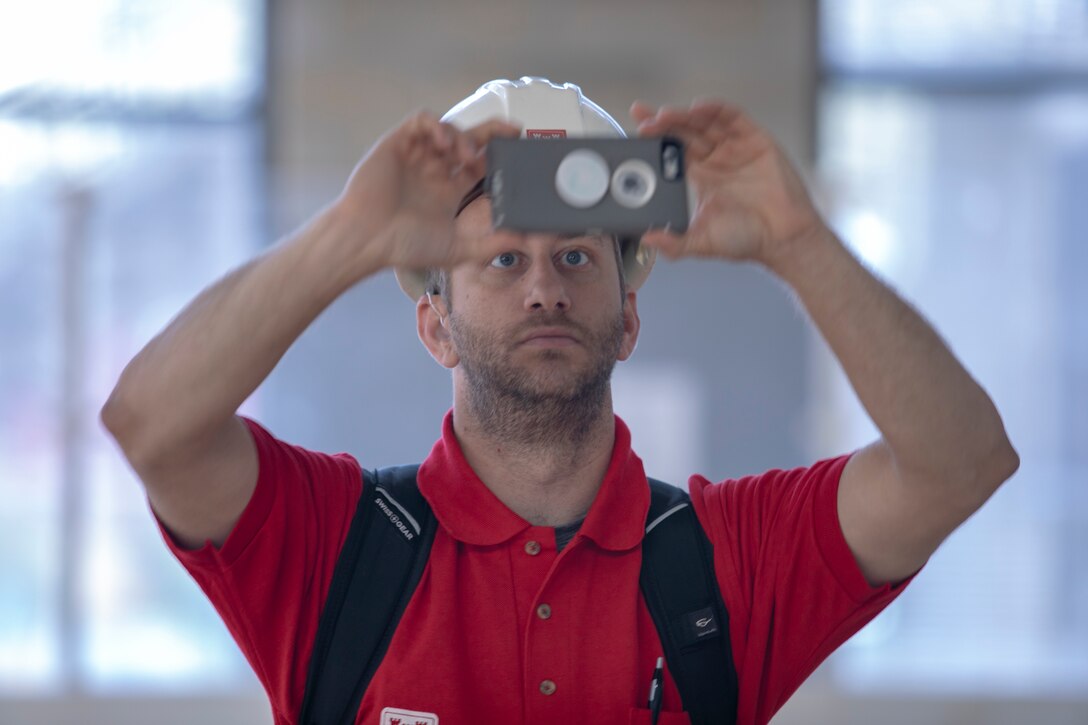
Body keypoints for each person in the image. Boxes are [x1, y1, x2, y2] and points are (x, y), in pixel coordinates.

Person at [101, 77, 1018, 725]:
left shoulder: (727, 564)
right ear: (436, 328)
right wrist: (351, 233)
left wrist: (799, 240)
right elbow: (153, 426)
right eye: (503, 258)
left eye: (578, 256)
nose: (544, 286)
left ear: (627, 320)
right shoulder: (335, 548)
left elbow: (960, 464)